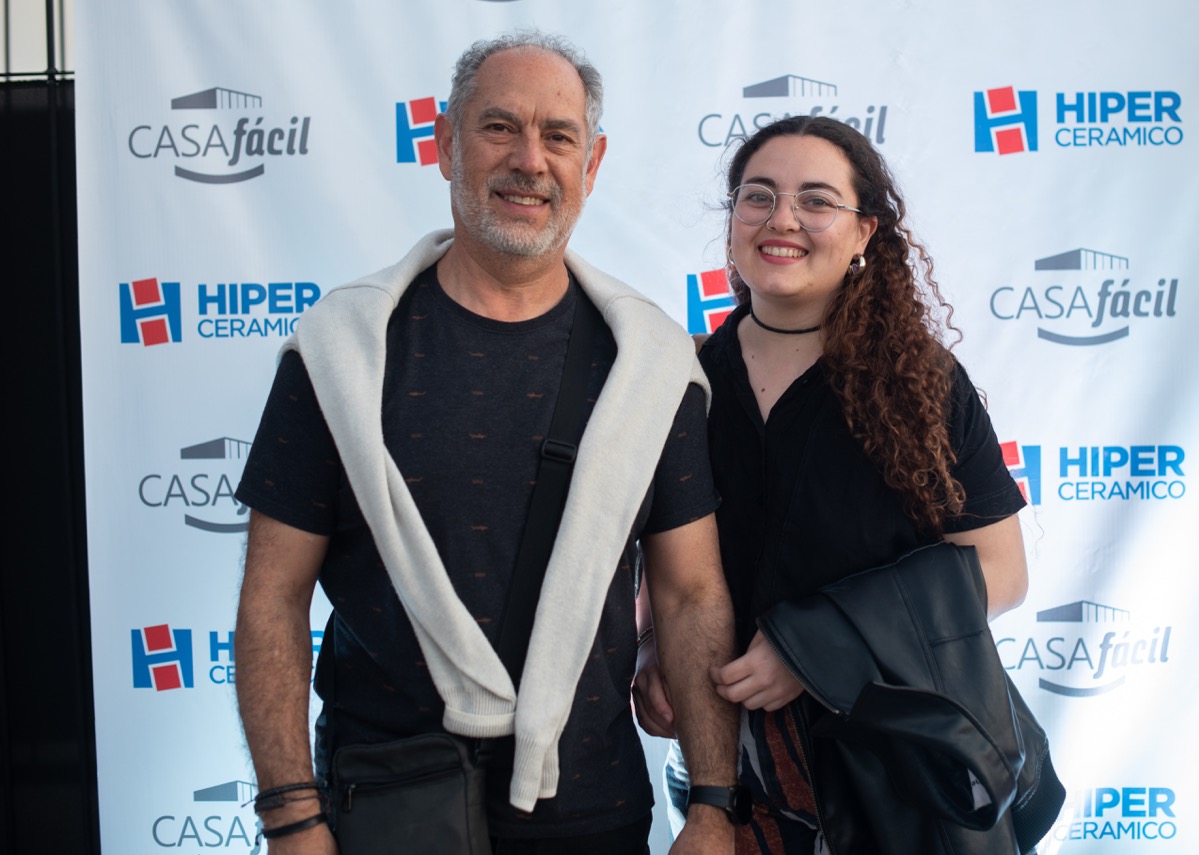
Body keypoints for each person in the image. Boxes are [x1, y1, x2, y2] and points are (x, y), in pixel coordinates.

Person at [233, 31, 738, 855]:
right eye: (499, 127)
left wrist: (713, 803)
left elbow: (690, 595)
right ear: (444, 144)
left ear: (592, 163)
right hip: (387, 811)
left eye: (559, 136)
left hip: (594, 816)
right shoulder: (341, 352)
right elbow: (272, 595)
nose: (530, 160)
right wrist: (290, 816)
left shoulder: (650, 365)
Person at [633, 115, 1033, 853]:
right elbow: (673, 557)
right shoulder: (685, 380)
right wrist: (653, 642)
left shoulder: (922, 385)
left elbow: (1002, 572)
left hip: (892, 779)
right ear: (732, 222)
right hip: (721, 780)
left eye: (816, 201)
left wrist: (815, 646)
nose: (782, 219)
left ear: (863, 234)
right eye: (758, 196)